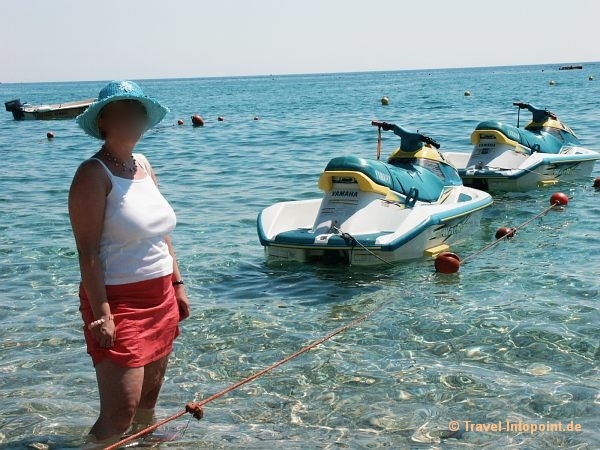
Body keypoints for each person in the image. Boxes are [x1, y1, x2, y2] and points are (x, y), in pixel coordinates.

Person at [68, 80, 190, 446]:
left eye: (138, 110)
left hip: (161, 296)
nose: (133, 118)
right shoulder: (92, 174)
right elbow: (87, 253)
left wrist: (178, 285)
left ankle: (144, 442)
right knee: (119, 413)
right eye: (123, 110)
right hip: (119, 303)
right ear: (103, 120)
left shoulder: (143, 165)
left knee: (146, 408)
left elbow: (161, 235)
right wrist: (103, 314)